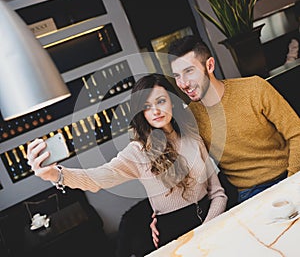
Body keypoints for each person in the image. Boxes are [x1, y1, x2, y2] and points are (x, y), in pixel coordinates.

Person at [27, 73, 227, 256]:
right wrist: (55, 174)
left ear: (172, 102)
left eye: (161, 101)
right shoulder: (138, 152)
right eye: (147, 106)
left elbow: (218, 193)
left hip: (212, 223)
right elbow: (97, 178)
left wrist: (207, 228)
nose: (155, 110)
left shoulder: (193, 138)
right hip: (172, 236)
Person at [150, 34, 300, 247]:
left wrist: (290, 184)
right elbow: (173, 163)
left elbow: (296, 132)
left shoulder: (254, 89)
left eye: (189, 71)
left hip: (291, 177)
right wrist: (162, 214)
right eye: (177, 76)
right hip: (250, 194)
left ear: (209, 65)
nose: (182, 83)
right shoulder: (190, 119)